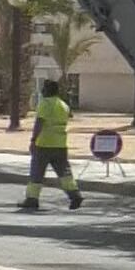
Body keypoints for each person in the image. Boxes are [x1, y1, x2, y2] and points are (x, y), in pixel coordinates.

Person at [20, 79, 83, 211]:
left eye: (44, 88)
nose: (42, 91)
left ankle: (32, 199)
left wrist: (33, 140)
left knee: (37, 172)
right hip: (60, 145)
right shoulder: (63, 105)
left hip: (44, 144)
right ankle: (75, 195)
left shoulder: (45, 104)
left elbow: (39, 123)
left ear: (48, 90)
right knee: (64, 173)